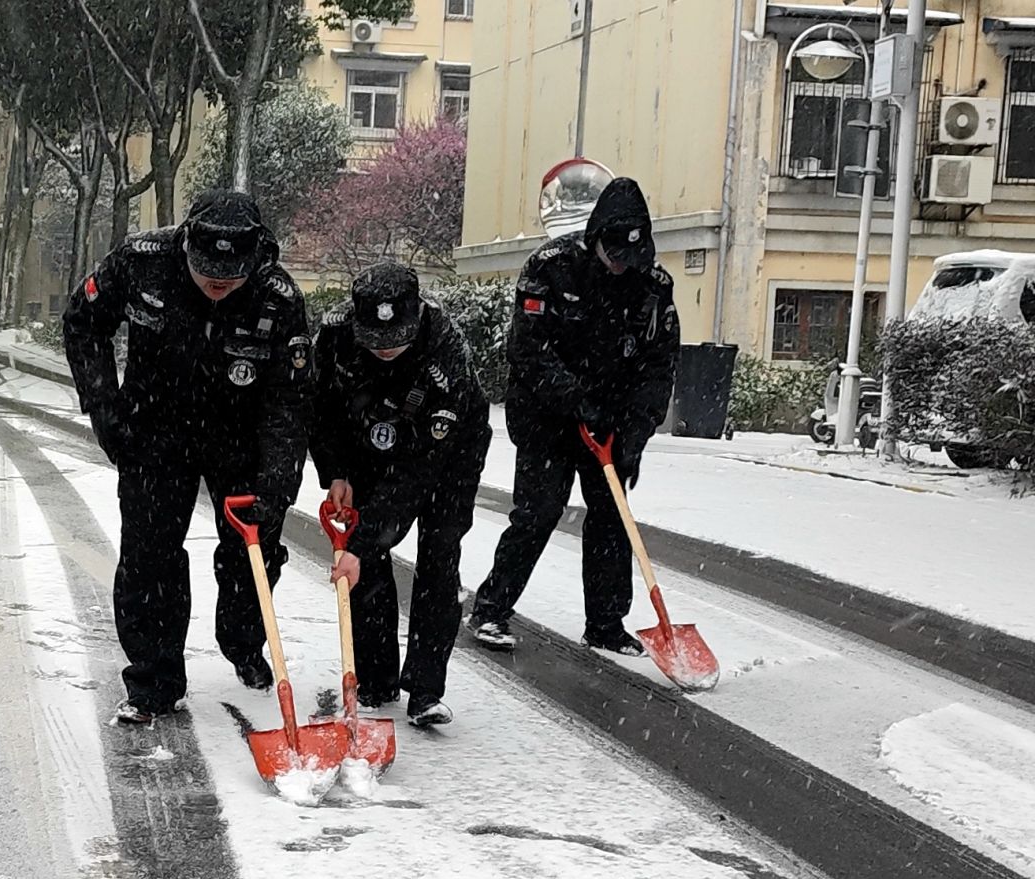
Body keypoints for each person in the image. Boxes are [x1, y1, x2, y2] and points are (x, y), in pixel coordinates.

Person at [62, 190, 313, 723]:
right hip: (155, 428)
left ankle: (244, 641)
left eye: (231, 272)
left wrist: (277, 486)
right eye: (207, 270)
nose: (218, 282)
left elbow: (288, 403)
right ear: (186, 246)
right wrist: (106, 409)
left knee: (253, 552)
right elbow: (84, 322)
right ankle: (154, 681)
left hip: (239, 435)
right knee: (149, 557)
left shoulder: (278, 298)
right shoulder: (140, 263)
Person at [469, 176, 679, 655]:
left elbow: (658, 367)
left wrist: (634, 433)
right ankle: (491, 609)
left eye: (633, 256)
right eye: (615, 254)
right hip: (547, 415)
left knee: (612, 518)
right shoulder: (551, 268)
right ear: (596, 238)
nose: (623, 266)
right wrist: (574, 400)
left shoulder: (652, 287)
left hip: (614, 421)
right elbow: (528, 350)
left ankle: (606, 623)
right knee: (538, 513)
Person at [311, 262, 491, 729]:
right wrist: (337, 471)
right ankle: (375, 679)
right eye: (375, 340)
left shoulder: (444, 347)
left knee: (438, 557)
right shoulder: (334, 338)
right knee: (366, 565)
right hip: (368, 439)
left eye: (396, 340)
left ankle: (425, 689)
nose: (386, 349)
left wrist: (364, 541)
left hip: (447, 453)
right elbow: (322, 411)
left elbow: (417, 472)